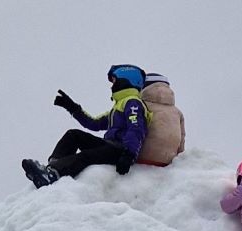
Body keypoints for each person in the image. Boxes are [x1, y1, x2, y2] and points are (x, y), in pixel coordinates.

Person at [21, 64, 150, 187]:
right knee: (73, 135)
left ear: (126, 80)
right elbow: (94, 123)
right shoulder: (118, 107)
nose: (112, 86)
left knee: (86, 156)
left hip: (120, 151)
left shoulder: (133, 103)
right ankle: (53, 166)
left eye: (114, 81)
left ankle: (53, 174)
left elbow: (136, 128)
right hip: (110, 146)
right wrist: (72, 108)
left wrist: (129, 155)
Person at [136, 73, 185, 166]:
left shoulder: (141, 106)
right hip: (167, 162)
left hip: (142, 159)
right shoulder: (177, 112)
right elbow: (181, 141)